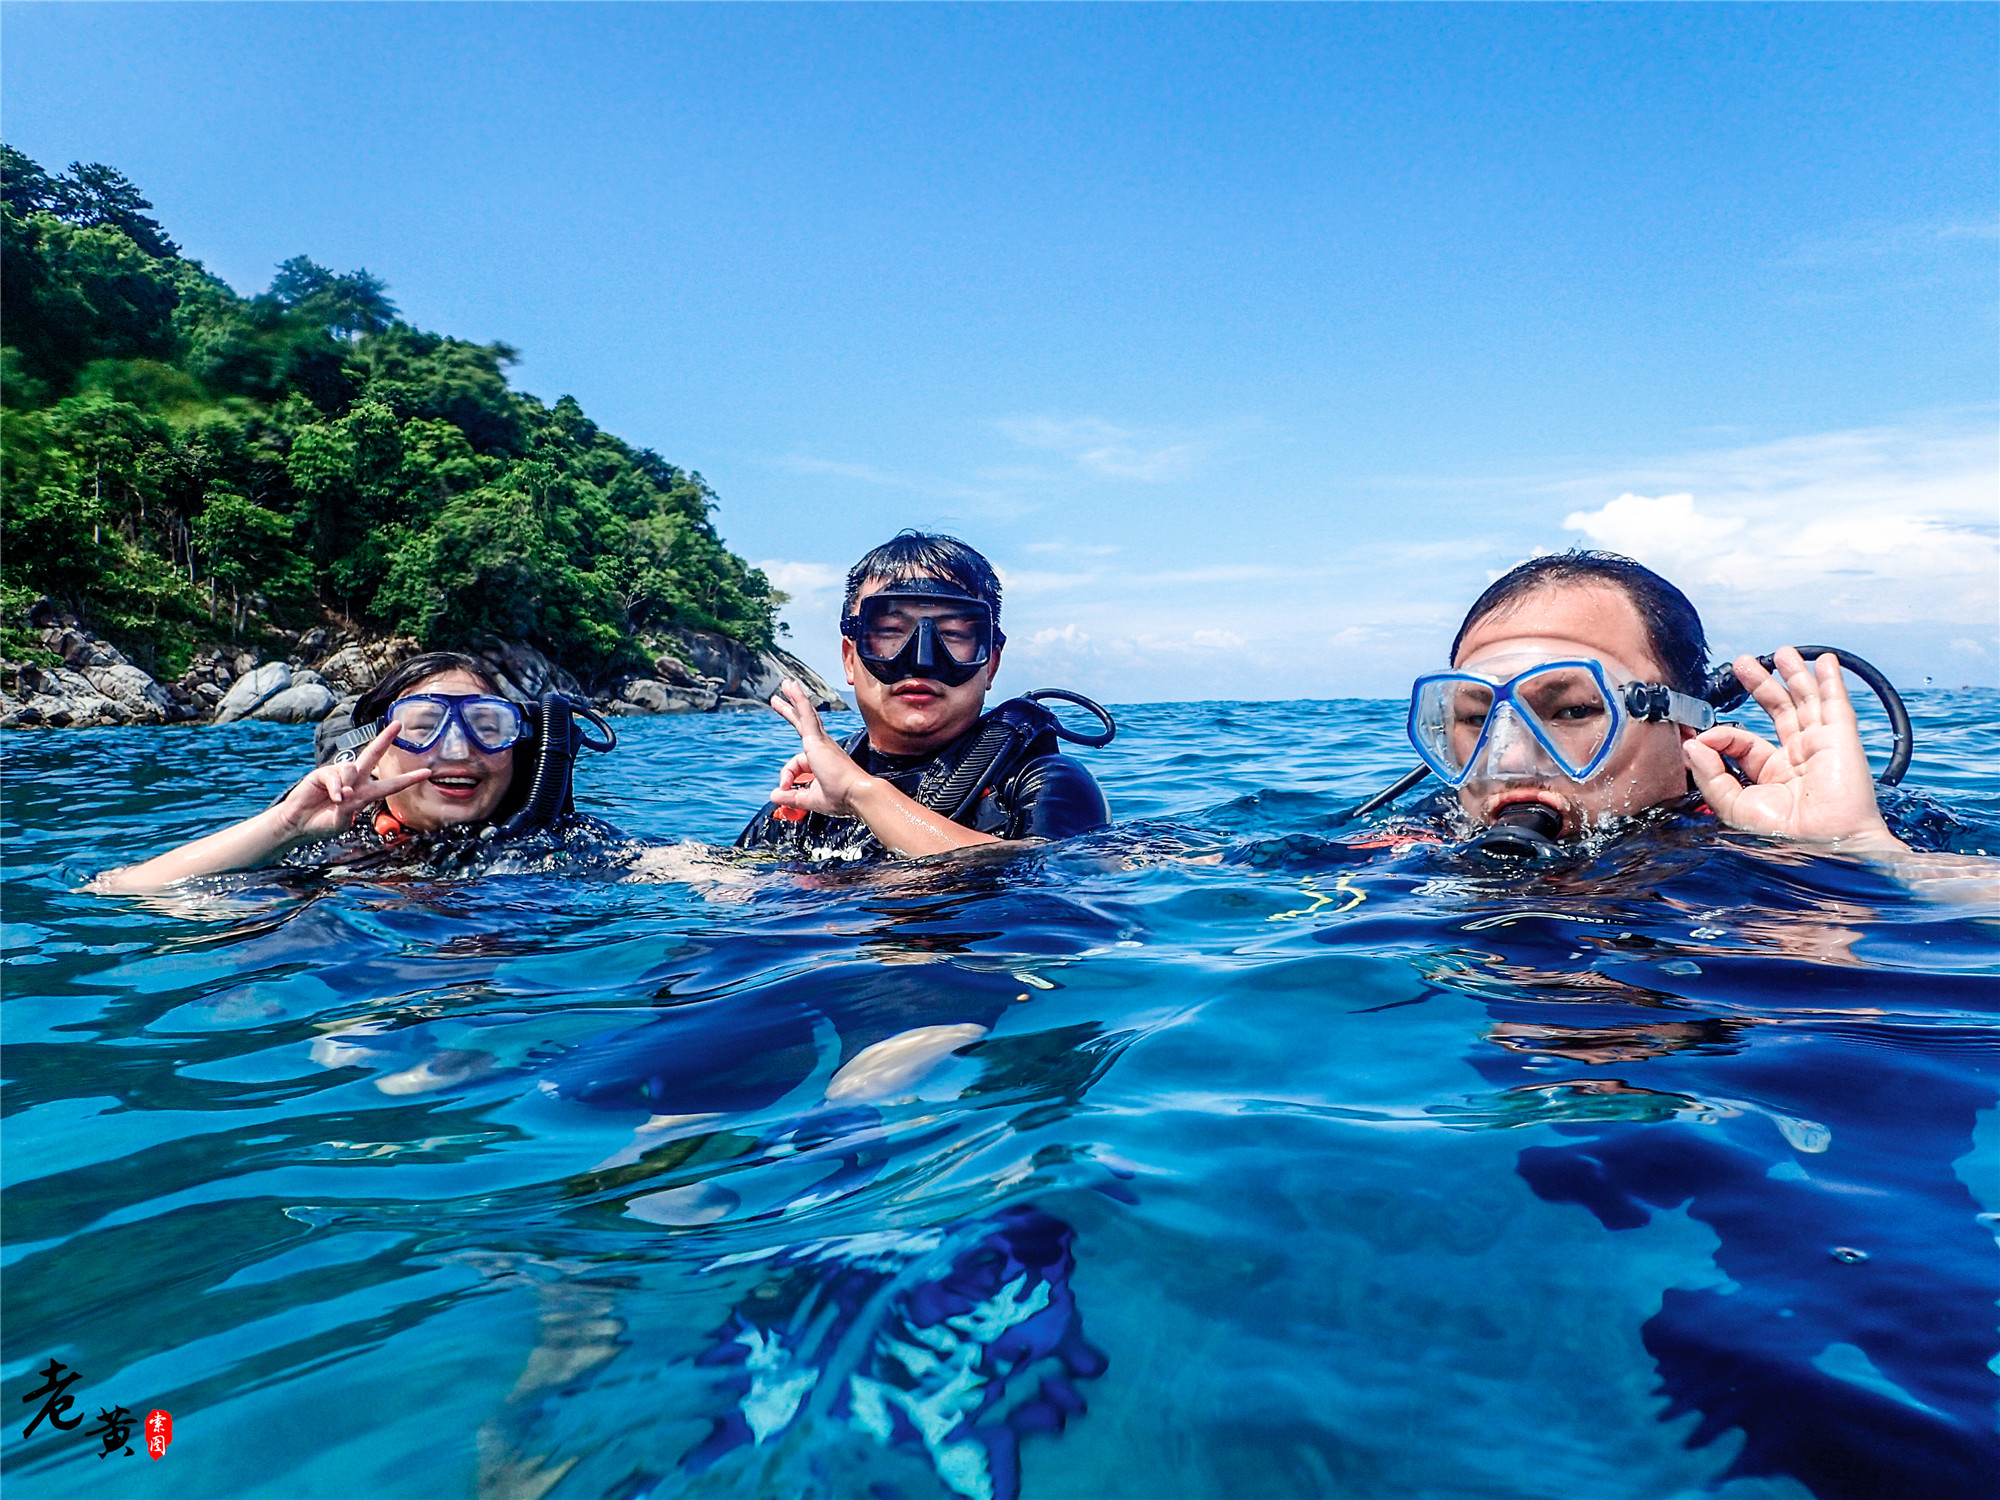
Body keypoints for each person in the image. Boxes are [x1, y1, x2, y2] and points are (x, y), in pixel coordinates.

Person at [1404, 551, 1988, 886]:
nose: (1506, 758)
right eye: (1477, 720)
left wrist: (1862, 853)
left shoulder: (1748, 850)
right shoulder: (1408, 849)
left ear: (1685, 726)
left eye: (1575, 710)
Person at [94, 651, 619, 893]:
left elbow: (689, 873)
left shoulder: (561, 846)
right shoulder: (325, 855)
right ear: (374, 749)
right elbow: (120, 891)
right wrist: (286, 827)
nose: (459, 750)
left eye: (488, 724)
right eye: (423, 725)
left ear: (521, 748)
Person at [737, 531, 1110, 859]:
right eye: (890, 632)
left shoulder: (1043, 785)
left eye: (952, 635)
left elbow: (1051, 885)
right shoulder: (807, 799)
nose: (921, 660)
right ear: (850, 659)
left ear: (990, 664)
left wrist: (860, 793)